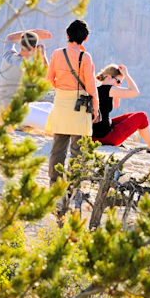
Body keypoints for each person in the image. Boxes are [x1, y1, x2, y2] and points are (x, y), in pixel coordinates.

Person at [46, 19, 100, 185]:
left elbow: (49, 80)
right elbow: (91, 86)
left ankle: (54, 182)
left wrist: (61, 88)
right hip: (79, 106)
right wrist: (96, 109)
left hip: (61, 104)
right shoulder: (85, 57)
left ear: (67, 35)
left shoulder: (56, 54)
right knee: (77, 149)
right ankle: (73, 184)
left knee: (58, 147)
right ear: (85, 39)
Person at [92, 64, 150, 153]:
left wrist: (117, 86)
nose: (118, 85)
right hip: (106, 137)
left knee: (130, 116)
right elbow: (135, 92)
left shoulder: (97, 89)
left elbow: (116, 105)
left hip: (95, 135)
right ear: (109, 77)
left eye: (120, 83)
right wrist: (126, 74)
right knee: (142, 116)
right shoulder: (108, 89)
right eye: (118, 81)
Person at [0, 29, 53, 130]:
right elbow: (49, 78)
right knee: (54, 120)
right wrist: (43, 55)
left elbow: (10, 37)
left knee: (49, 107)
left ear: (20, 44)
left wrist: (35, 32)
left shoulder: (8, 55)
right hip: (16, 114)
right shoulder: (27, 68)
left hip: (4, 108)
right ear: (34, 49)